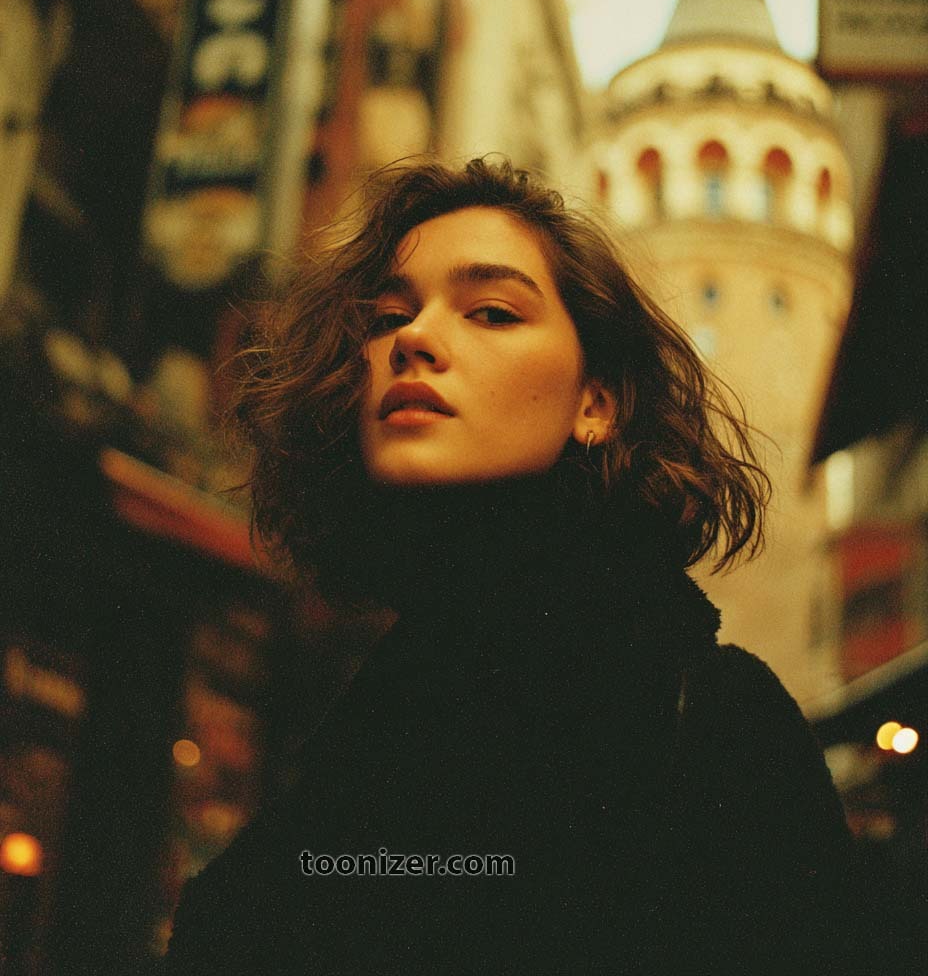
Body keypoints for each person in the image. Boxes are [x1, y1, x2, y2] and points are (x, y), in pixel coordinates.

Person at [163, 158, 859, 974]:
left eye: (491, 312)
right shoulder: (364, 719)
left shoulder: (715, 729)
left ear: (596, 403)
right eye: (389, 315)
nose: (413, 339)